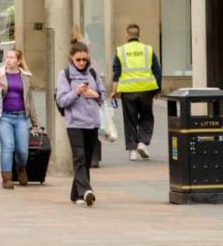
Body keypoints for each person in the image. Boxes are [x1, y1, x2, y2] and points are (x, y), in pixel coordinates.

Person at [55, 42, 106, 207]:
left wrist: (94, 94)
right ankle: (86, 191)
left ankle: (76, 194)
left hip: (92, 123)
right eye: (78, 60)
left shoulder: (93, 72)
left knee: (87, 159)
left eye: (85, 59)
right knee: (79, 158)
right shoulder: (65, 75)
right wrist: (76, 92)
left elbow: (103, 95)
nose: (82, 62)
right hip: (75, 123)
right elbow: (61, 100)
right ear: (72, 58)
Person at [0, 48, 40, 189]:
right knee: (8, 146)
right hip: (4, 117)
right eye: (7, 57)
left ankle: (21, 169)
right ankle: (6, 178)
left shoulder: (25, 77)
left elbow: (29, 100)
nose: (8, 60)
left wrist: (35, 122)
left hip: (21, 117)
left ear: (19, 61)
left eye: (12, 57)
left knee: (22, 150)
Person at [110, 24, 161, 161]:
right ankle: (143, 143)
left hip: (127, 91)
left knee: (130, 120)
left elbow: (116, 72)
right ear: (139, 35)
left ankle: (132, 151)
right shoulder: (148, 50)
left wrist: (113, 91)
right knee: (147, 117)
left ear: (127, 35)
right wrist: (157, 89)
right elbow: (157, 71)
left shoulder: (120, 51)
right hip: (146, 89)